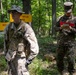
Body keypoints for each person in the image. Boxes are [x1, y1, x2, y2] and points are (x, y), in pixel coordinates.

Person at [4, 5, 39, 75]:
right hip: (10, 58)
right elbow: (6, 42)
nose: (13, 14)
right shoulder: (8, 27)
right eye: (12, 13)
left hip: (21, 59)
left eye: (15, 13)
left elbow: (34, 44)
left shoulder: (26, 27)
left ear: (19, 14)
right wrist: (6, 54)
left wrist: (30, 59)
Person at [55, 1, 76, 75]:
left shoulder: (75, 19)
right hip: (61, 42)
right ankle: (62, 71)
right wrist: (60, 28)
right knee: (59, 58)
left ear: (71, 9)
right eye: (66, 11)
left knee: (71, 60)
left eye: (69, 12)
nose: (68, 13)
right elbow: (55, 28)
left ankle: (72, 72)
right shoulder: (60, 18)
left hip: (71, 43)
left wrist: (71, 28)